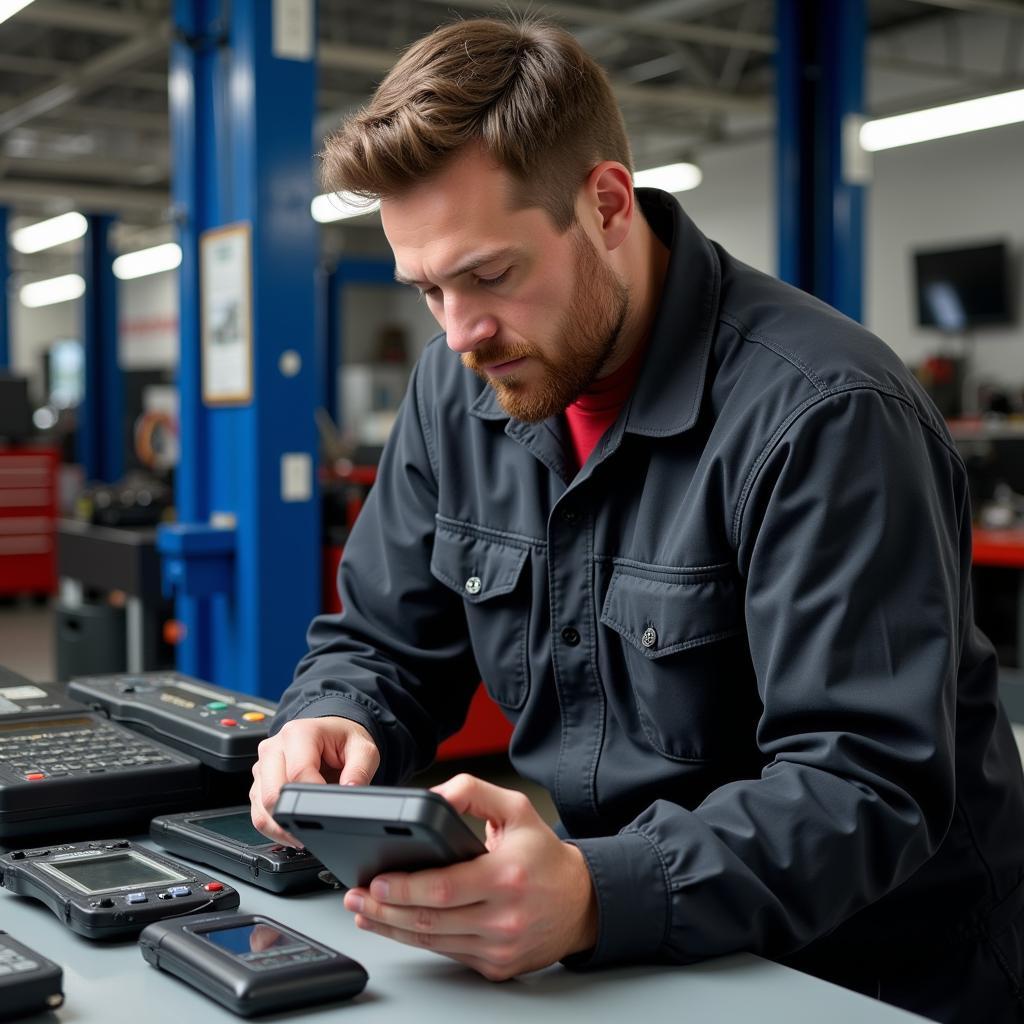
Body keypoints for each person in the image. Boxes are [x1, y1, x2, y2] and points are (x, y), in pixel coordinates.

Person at [250, 17, 1024, 1022]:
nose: (460, 332)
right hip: (644, 957)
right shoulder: (456, 389)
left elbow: (863, 784)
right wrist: (336, 712)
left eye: (488, 275)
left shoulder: (823, 413)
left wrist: (592, 891)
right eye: (427, 288)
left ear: (606, 204)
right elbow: (386, 641)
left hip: (875, 974)